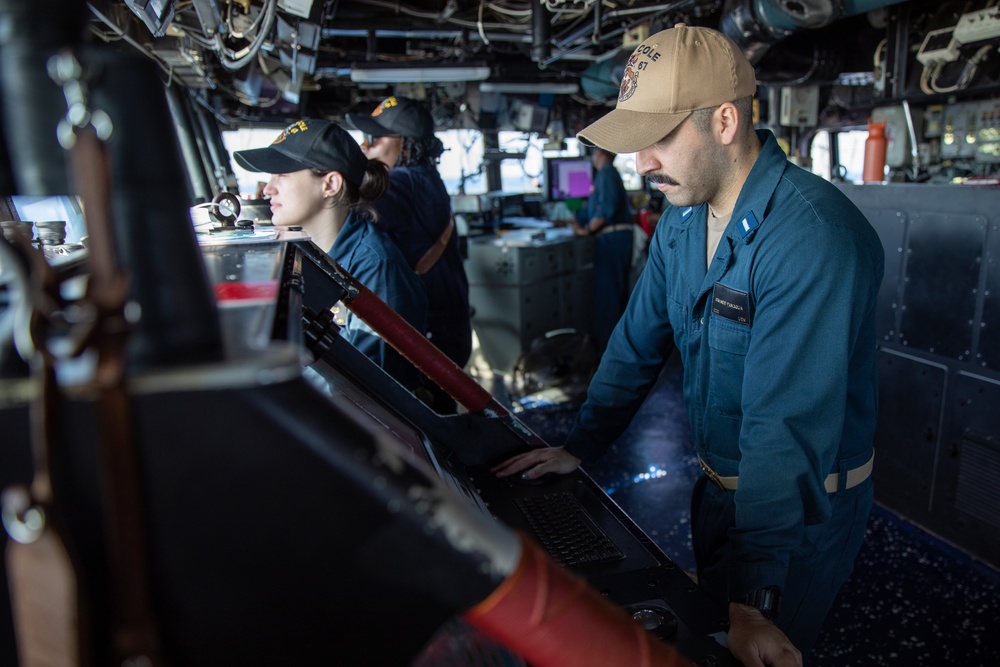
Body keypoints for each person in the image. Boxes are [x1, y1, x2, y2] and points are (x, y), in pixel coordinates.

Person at [492, 24, 884, 667]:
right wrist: (580, 446)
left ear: (724, 121)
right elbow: (635, 341)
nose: (640, 163)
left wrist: (753, 600)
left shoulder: (812, 239)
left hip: (798, 514)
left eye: (658, 139)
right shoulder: (682, 219)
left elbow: (782, 430)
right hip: (717, 491)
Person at [233, 119, 428, 392]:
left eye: (282, 174)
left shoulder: (376, 269)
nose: (267, 189)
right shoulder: (301, 255)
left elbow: (366, 391)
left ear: (330, 185)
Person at [346, 96, 472, 414]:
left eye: (374, 139)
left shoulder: (401, 182)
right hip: (446, 330)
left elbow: (341, 208)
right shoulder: (425, 177)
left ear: (405, 144)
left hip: (429, 335)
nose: (365, 147)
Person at [572, 146, 633, 353]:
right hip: (616, 239)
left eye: (594, 154)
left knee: (609, 299)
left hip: (611, 240)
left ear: (601, 154)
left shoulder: (605, 175)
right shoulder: (605, 176)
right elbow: (589, 210)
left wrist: (586, 230)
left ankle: (609, 353)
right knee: (613, 296)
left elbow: (604, 211)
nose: (593, 159)